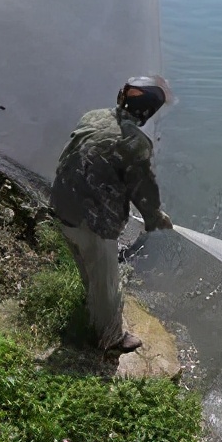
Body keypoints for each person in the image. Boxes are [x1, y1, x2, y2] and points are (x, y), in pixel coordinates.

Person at [50, 77, 174, 352]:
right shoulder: (136, 142)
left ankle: (90, 308)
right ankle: (111, 339)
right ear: (148, 112)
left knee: (88, 265)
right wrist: (154, 217)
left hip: (61, 205)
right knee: (107, 284)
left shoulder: (93, 116)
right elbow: (143, 188)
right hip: (93, 222)